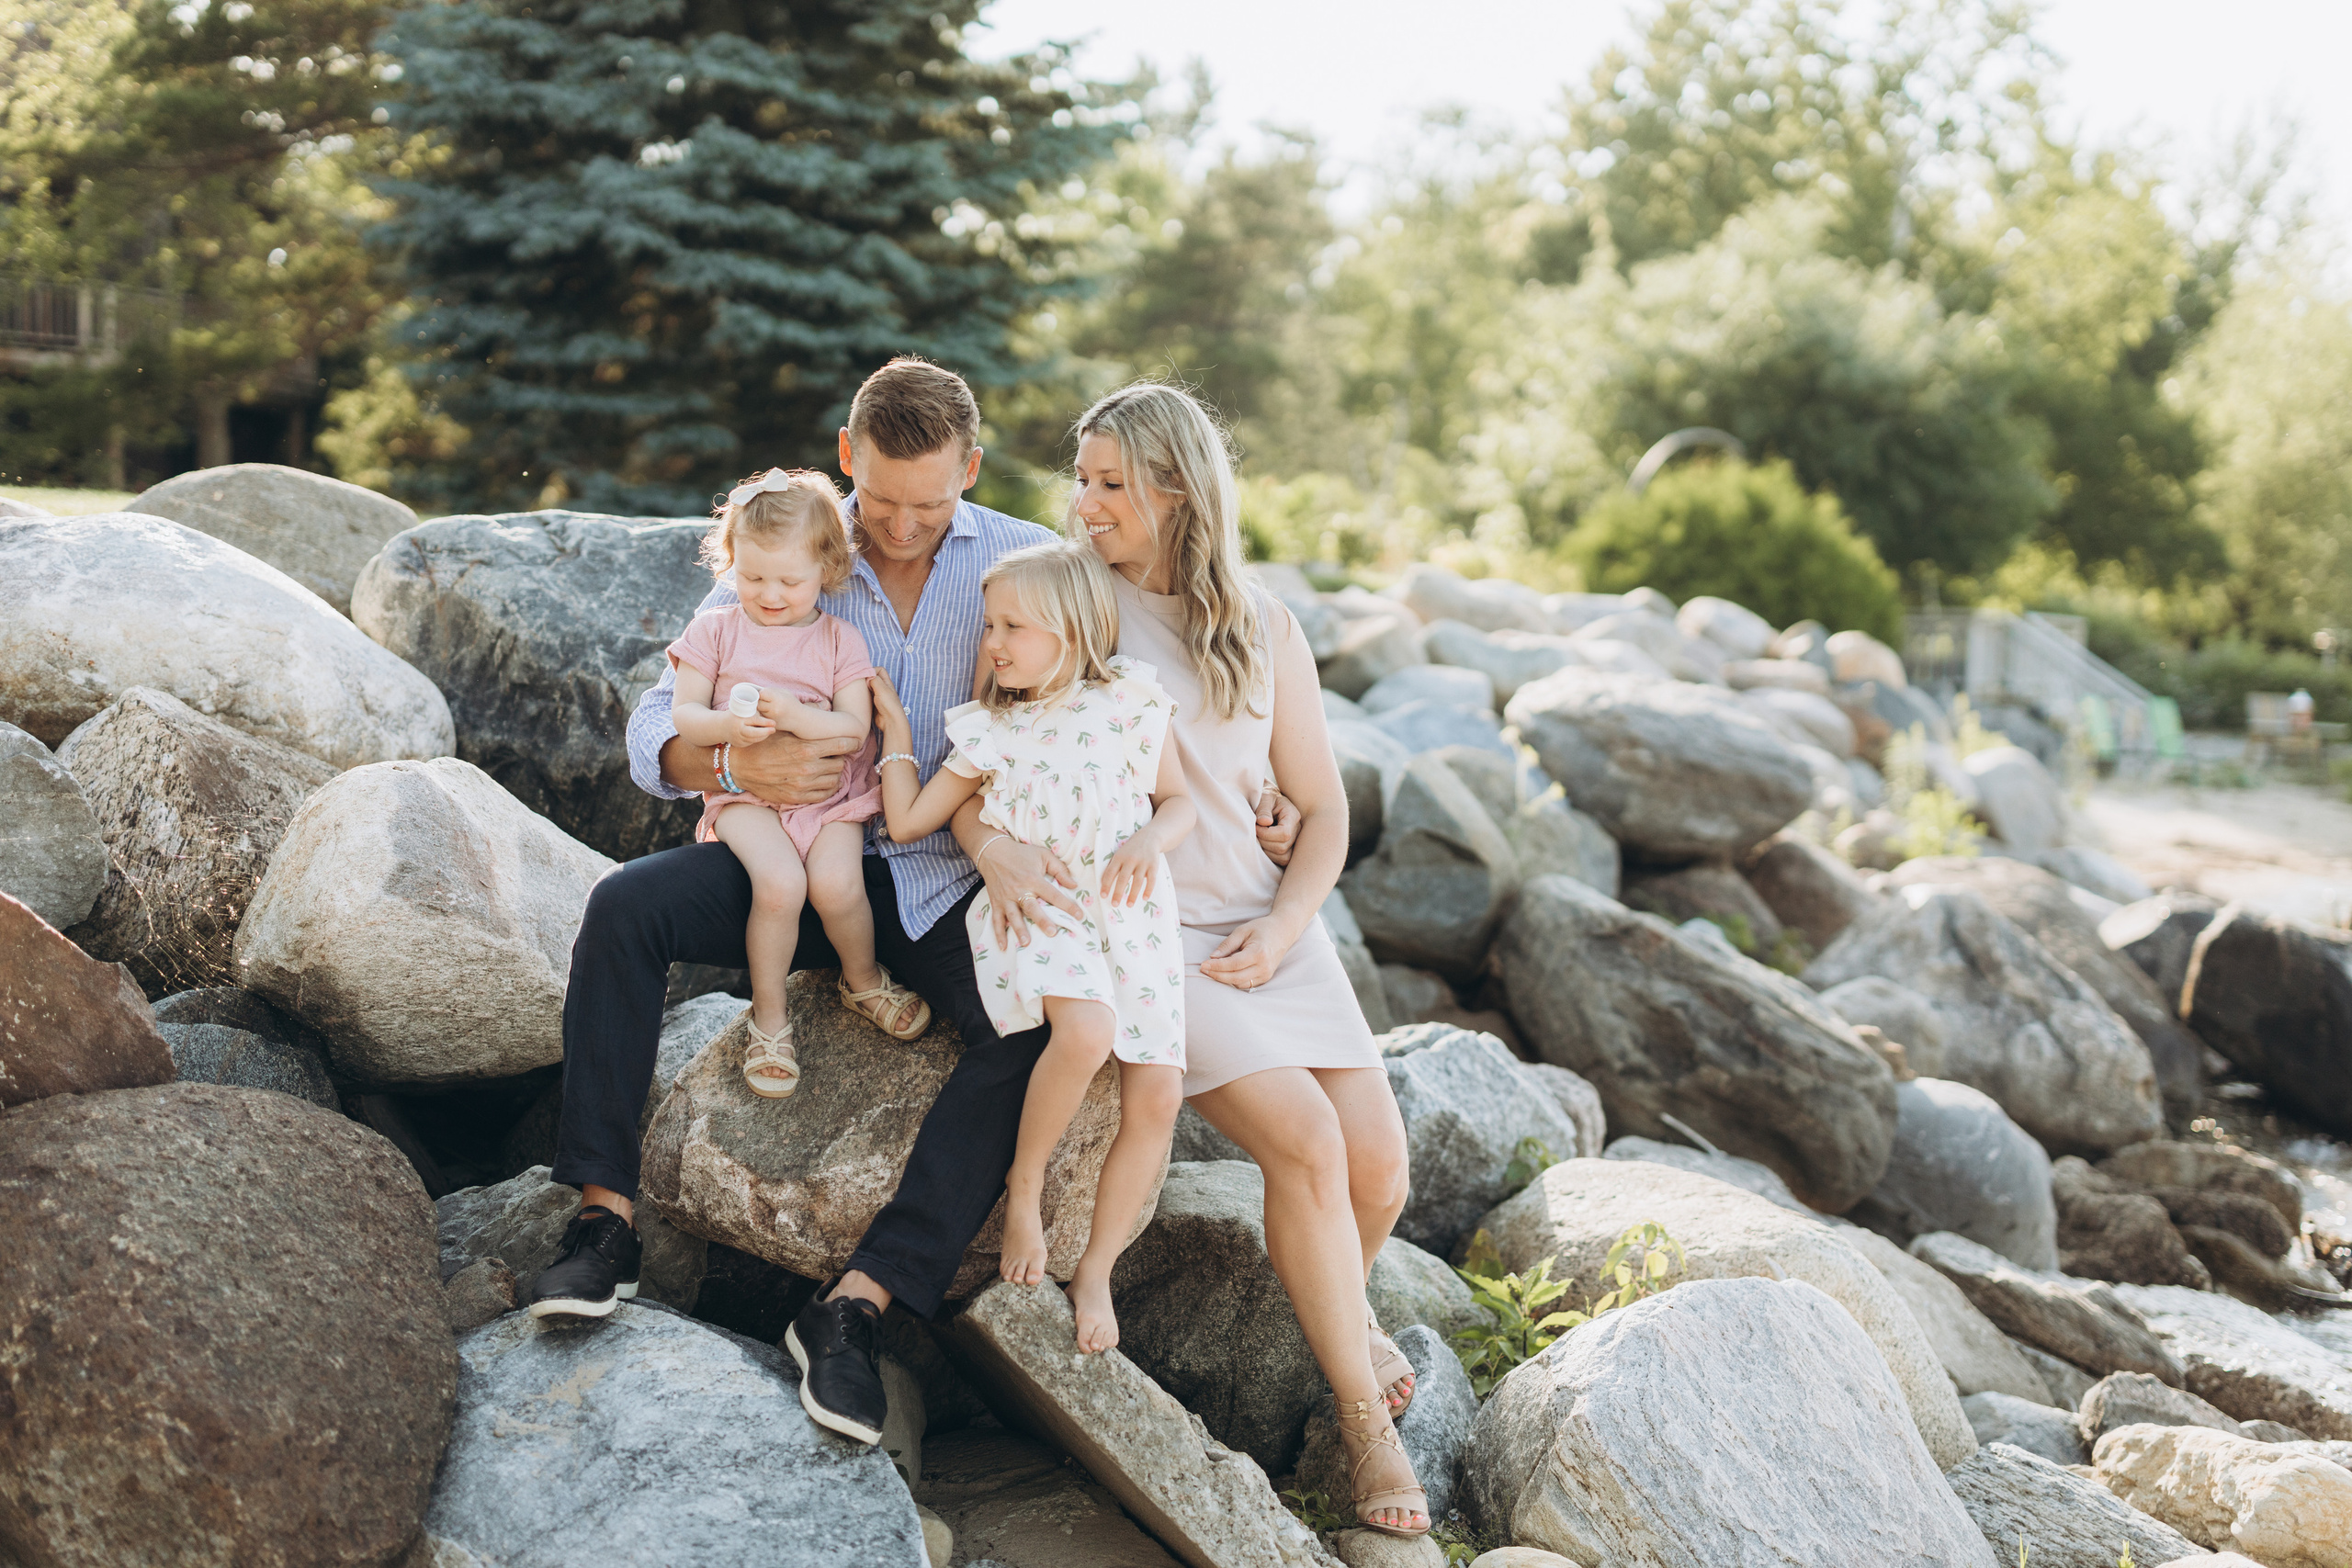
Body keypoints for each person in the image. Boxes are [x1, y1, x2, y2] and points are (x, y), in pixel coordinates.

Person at [523, 358, 1304, 1450]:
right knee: (624, 909)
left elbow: (1120, 695)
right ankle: (604, 1219)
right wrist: (726, 770)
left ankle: (860, 1301)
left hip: (945, 878)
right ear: (849, 457)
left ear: (970, 472)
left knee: (1027, 1038)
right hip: (798, 852)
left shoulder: (1025, 560)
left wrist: (1259, 793)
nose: (897, 527)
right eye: (881, 499)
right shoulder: (795, 539)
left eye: (928, 504)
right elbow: (657, 725)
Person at [972, 382, 1429, 1539]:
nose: (1082, 504)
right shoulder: (1083, 608)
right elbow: (989, 746)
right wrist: (988, 843)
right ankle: (1359, 1425)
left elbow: (1320, 810)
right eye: (1080, 479)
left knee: (1380, 1170)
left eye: (1109, 483)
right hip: (1148, 929)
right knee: (1310, 1143)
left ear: (1178, 489)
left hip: (1269, 928)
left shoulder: (1262, 624)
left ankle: (1344, 1322)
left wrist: (1283, 922)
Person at [871, 540, 1194, 1354]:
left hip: (1131, 909)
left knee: (1157, 1093)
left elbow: (1181, 801)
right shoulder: (991, 731)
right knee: (1083, 1030)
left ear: (1074, 629)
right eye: (990, 625)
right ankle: (1025, 1182)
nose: (993, 643)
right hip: (1045, 909)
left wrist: (1150, 841)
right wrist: (899, 735)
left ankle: (1096, 1269)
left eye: (1013, 626)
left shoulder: (1130, 701)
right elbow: (910, 820)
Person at [663, 466, 929, 1100]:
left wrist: (793, 716)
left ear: (827, 570)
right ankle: (769, 1016)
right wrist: (730, 725)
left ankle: (861, 978)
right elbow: (683, 715)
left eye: (790, 579)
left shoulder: (839, 639)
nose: (770, 593)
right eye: (753, 577)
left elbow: (852, 729)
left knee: (838, 884)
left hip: (831, 799)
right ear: (733, 564)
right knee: (779, 884)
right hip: (744, 797)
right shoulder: (716, 631)